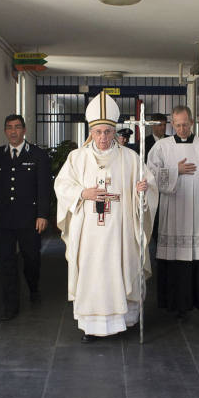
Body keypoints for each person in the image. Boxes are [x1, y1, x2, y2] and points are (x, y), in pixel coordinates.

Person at [54, 91, 157, 342]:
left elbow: (146, 190)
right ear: (91, 131)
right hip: (89, 233)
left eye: (108, 132)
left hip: (120, 232)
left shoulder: (130, 159)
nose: (103, 137)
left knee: (121, 270)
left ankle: (122, 321)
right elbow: (62, 186)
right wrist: (82, 193)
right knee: (92, 275)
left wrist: (141, 193)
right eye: (98, 132)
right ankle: (91, 327)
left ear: (114, 132)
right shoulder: (76, 158)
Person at [146, 105, 199, 318]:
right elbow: (150, 176)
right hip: (171, 212)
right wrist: (176, 171)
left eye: (185, 124)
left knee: (195, 260)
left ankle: (194, 299)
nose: (181, 129)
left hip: (198, 211)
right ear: (172, 124)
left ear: (192, 122)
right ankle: (171, 301)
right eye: (177, 125)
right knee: (171, 261)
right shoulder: (162, 147)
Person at [0, 114, 51, 321]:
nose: (13, 131)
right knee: (7, 261)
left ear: (24, 130)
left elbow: (43, 188)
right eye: (9, 128)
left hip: (29, 219)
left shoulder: (38, 155)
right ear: (5, 131)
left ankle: (33, 287)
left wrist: (42, 215)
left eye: (17, 127)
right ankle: (10, 306)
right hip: (5, 218)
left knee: (31, 258)